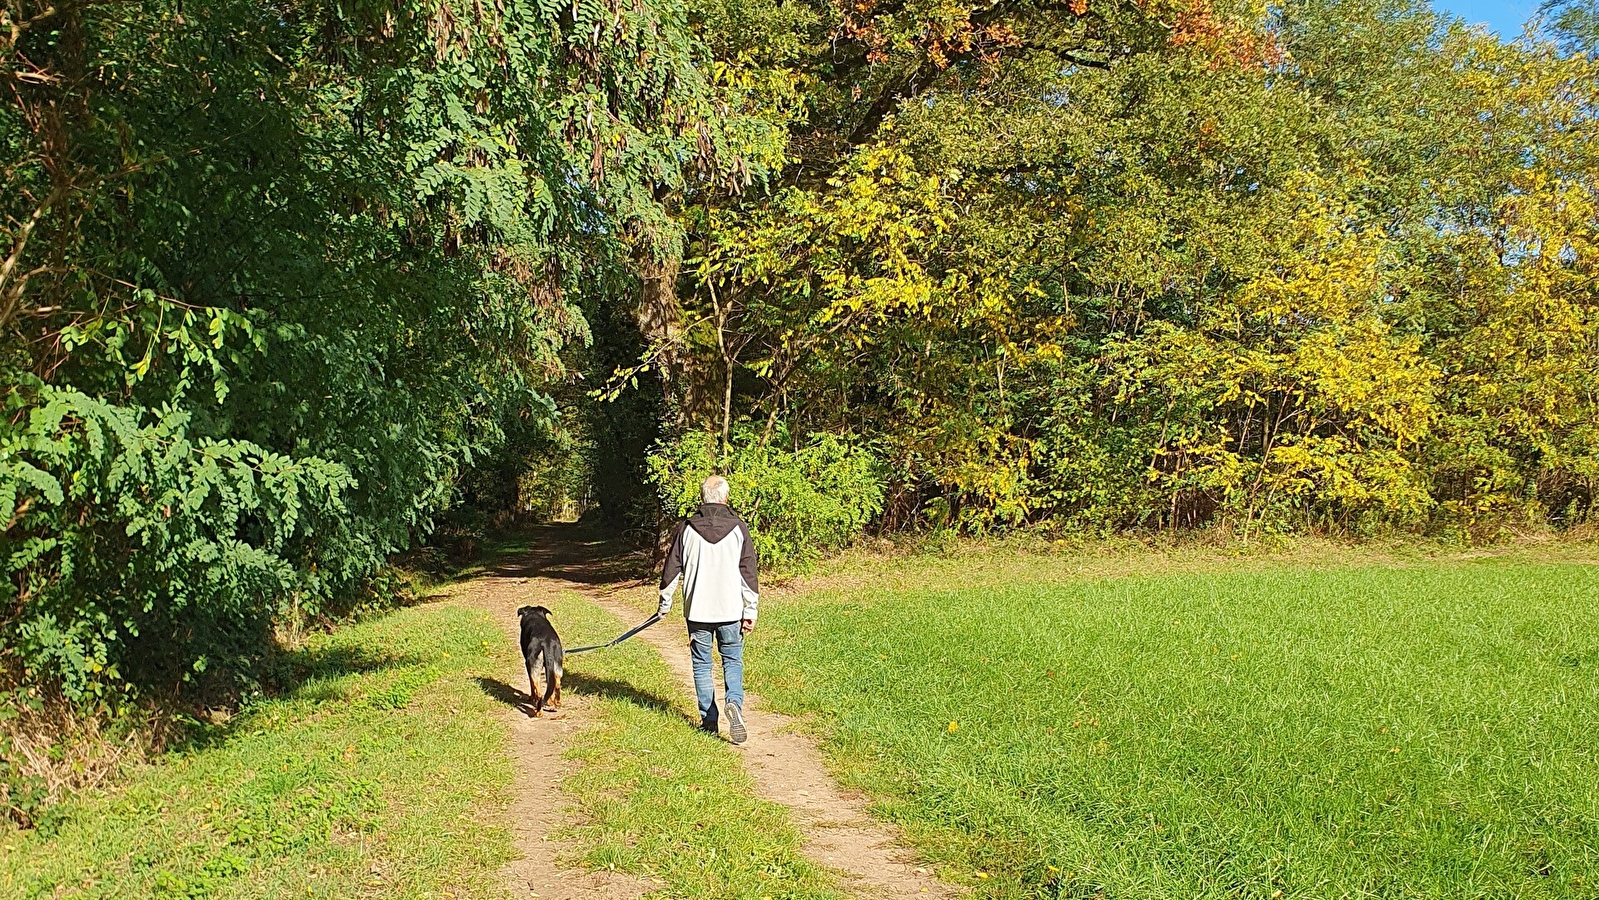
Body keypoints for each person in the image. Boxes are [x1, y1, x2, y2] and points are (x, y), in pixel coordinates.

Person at [658, 475, 758, 744]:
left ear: (703, 498)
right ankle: (734, 703)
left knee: (702, 665)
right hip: (730, 611)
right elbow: (747, 572)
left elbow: (671, 571)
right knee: (732, 660)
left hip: (698, 612)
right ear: (725, 498)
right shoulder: (739, 528)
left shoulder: (686, 529)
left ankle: (709, 721)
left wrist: (664, 604)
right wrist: (751, 610)